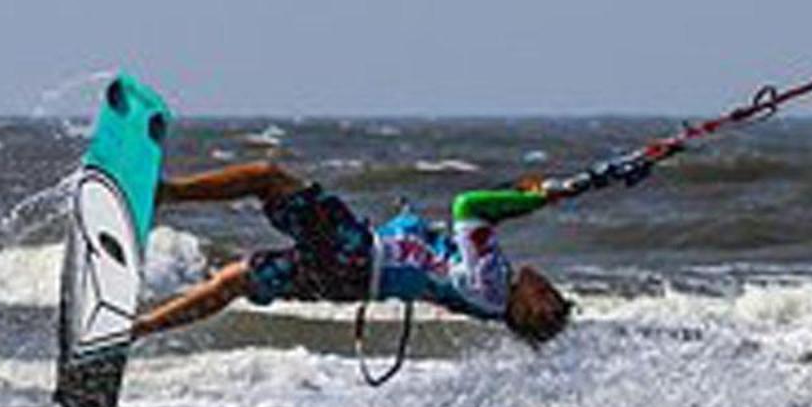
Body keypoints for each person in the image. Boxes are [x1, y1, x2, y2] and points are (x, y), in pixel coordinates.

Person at [131, 162, 572, 345]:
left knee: (269, 178)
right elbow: (480, 221)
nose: (549, 286)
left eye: (549, 297)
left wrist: (537, 201)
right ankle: (140, 329)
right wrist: (523, 192)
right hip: (349, 283)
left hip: (358, 254)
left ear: (531, 309)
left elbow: (470, 208)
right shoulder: (490, 299)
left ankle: (163, 193)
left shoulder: (492, 282)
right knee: (235, 282)